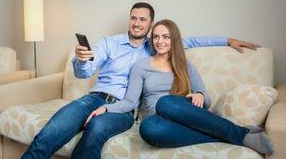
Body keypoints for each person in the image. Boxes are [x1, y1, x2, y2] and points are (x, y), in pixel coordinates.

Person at [21, 2, 260, 159]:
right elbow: (86, 71)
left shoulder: (156, 46)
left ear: (150, 24)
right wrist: (82, 60)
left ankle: (234, 133)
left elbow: (192, 41)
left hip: (123, 109)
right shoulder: (109, 43)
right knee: (50, 132)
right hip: (92, 99)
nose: (136, 23)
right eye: (133, 18)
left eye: (142, 20)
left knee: (96, 128)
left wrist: (228, 40)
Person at [89, 19, 273, 156]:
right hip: (160, 123)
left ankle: (240, 135)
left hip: (186, 115)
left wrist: (200, 95)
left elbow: (206, 101)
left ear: (174, 39)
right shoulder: (141, 65)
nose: (160, 41)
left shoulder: (186, 65)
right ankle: (231, 135)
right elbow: (130, 101)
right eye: (156, 37)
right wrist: (106, 107)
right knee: (148, 128)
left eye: (166, 37)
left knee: (166, 102)